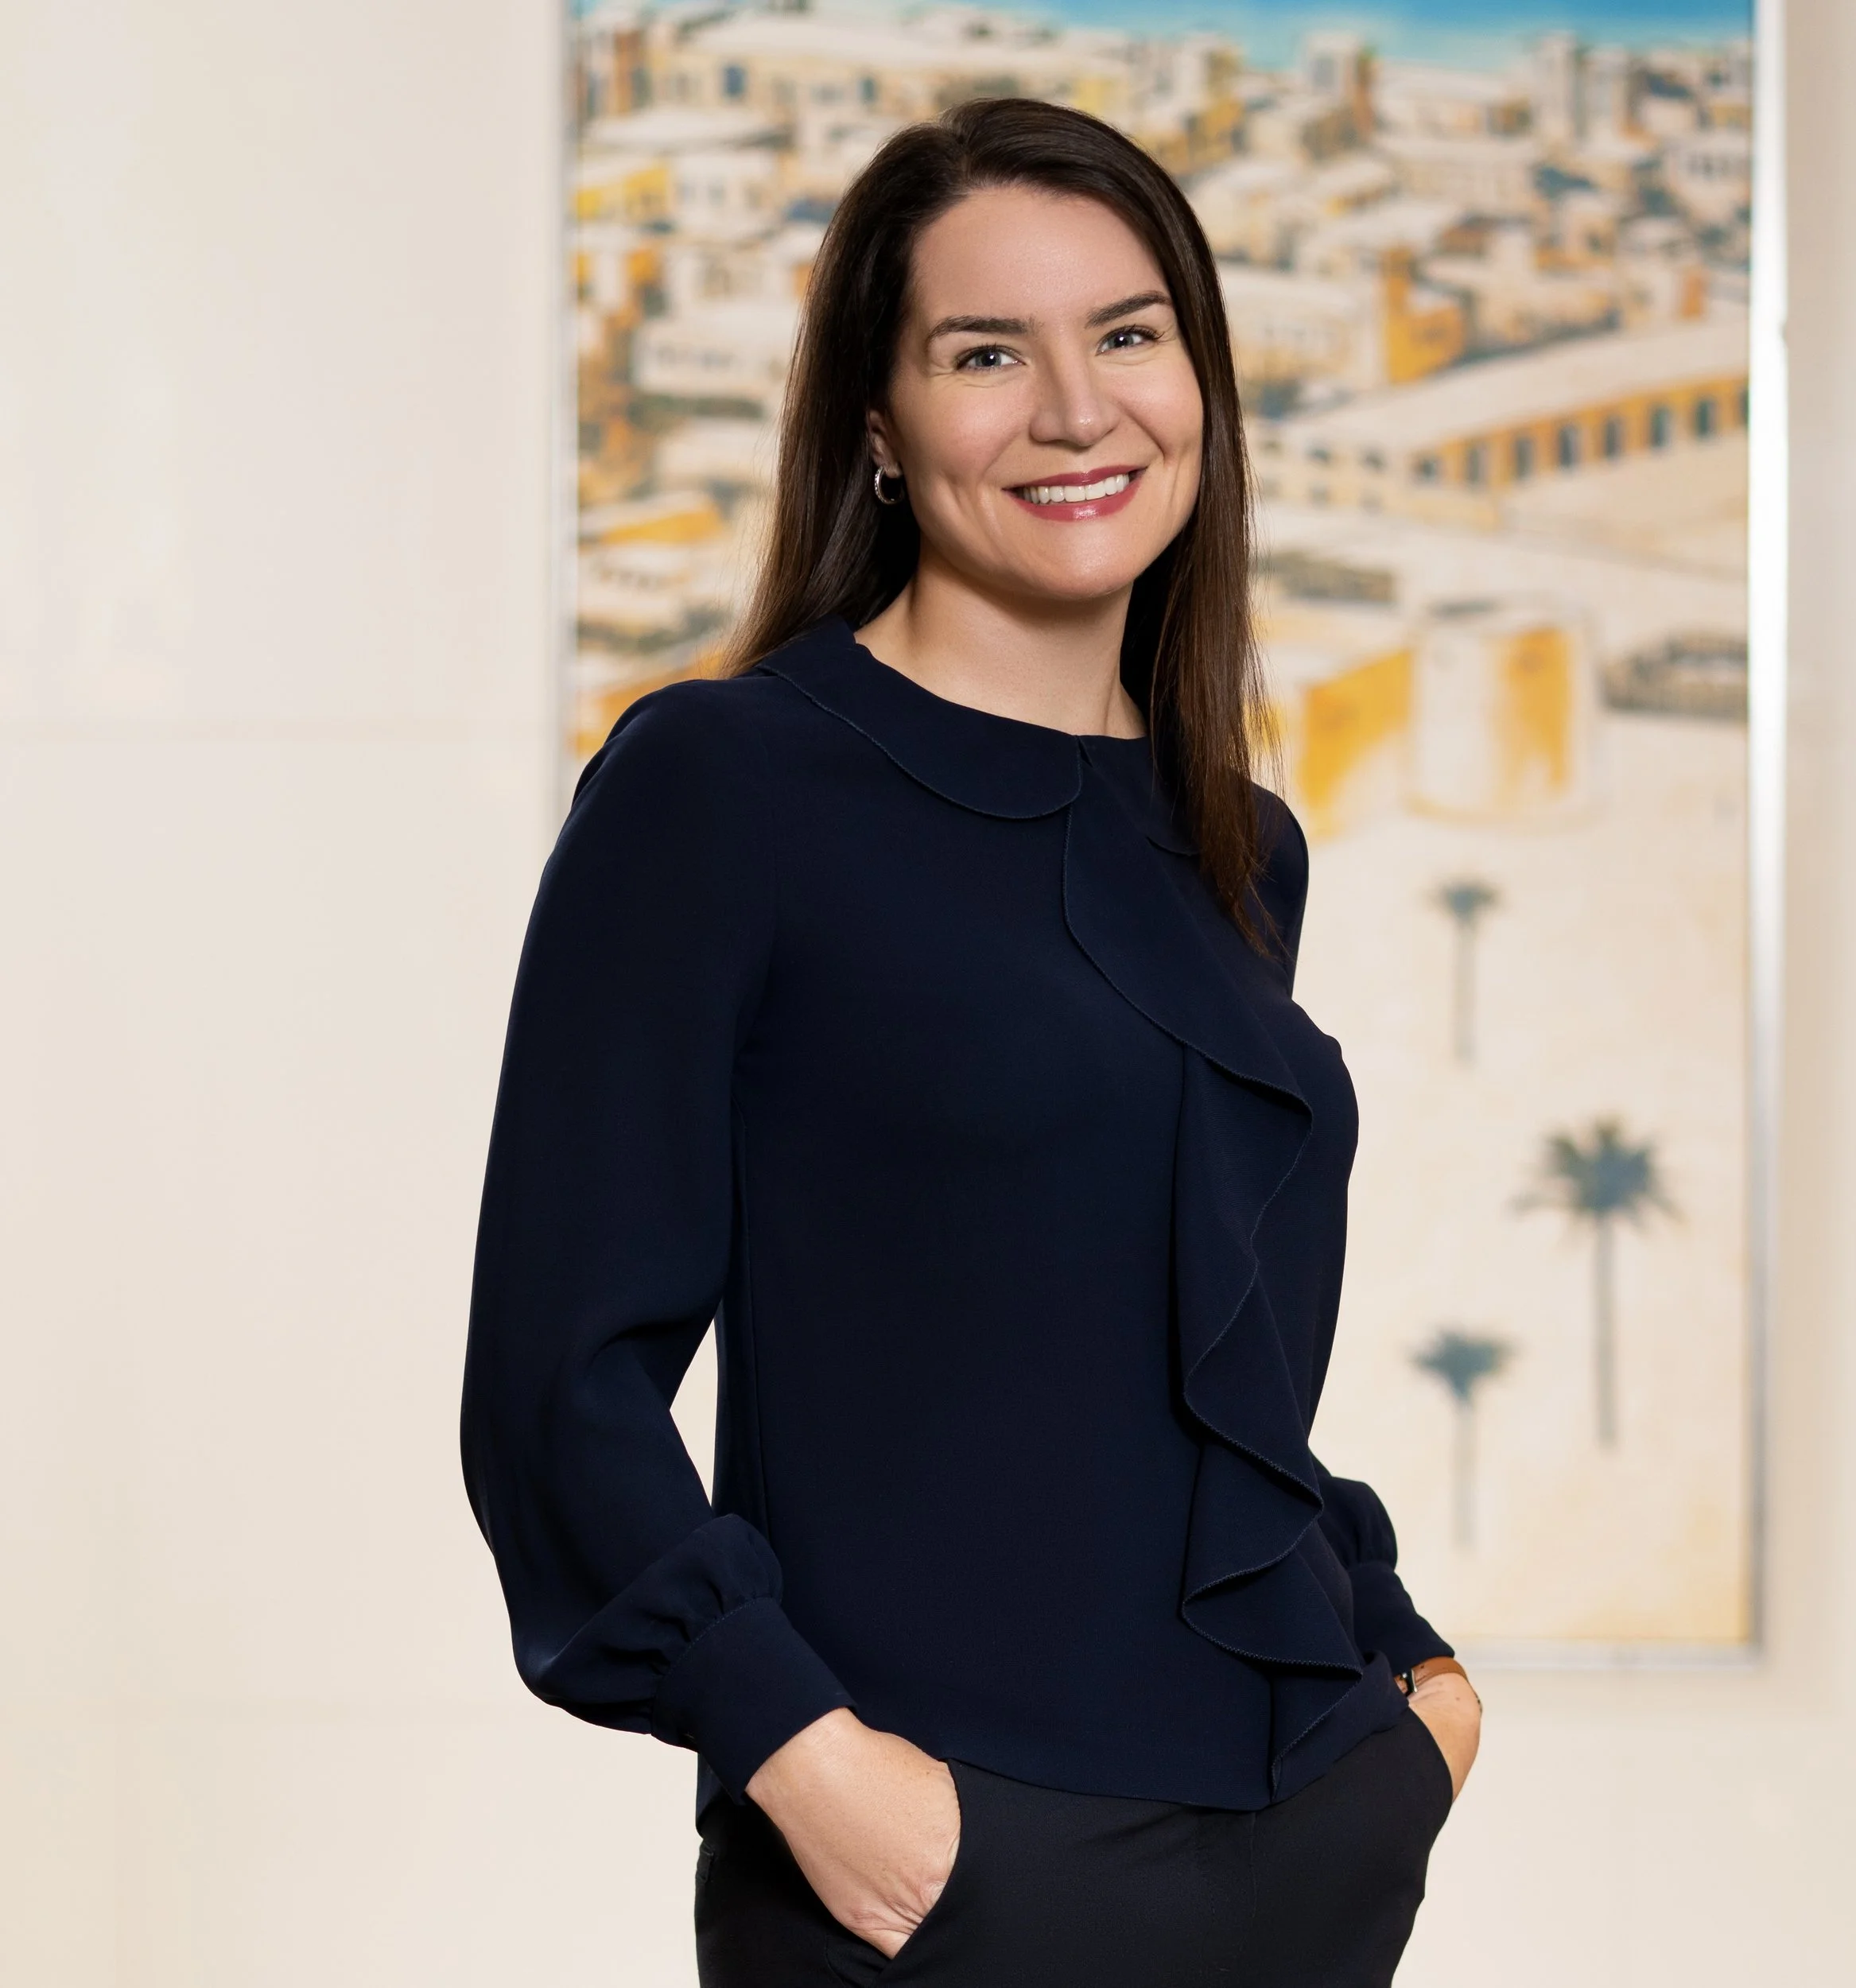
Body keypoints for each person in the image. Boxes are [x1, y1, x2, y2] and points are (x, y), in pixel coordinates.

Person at [461, 96, 1480, 1988]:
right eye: (983, 353)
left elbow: (1213, 1386)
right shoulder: (723, 786)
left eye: (1126, 332)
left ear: (1200, 381)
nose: (1075, 410)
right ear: (875, 419)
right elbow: (557, 1384)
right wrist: (809, 1762)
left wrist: (1411, 1695)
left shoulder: (1238, 849)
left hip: (1291, 1851)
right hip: (928, 1871)